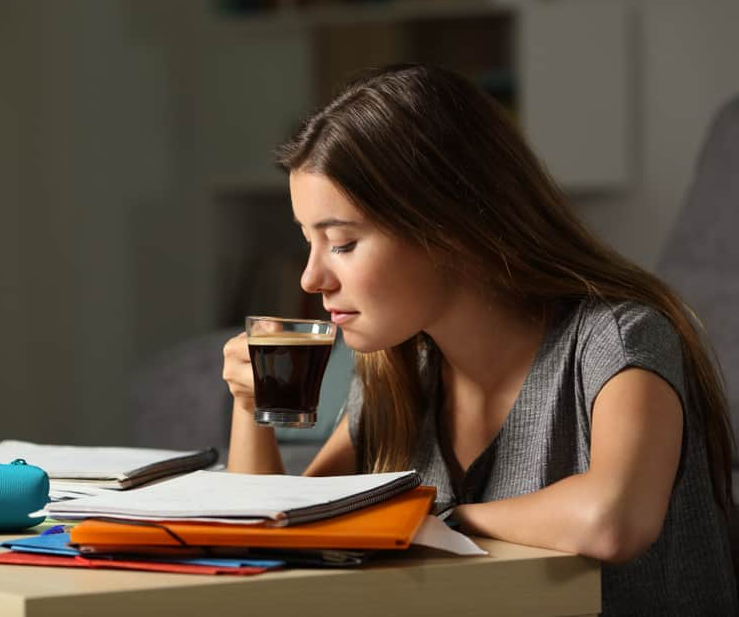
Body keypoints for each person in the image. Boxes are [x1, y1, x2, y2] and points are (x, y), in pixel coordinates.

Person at [221, 63, 736, 614]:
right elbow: (283, 532)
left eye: (342, 243)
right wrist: (252, 407)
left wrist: (433, 516)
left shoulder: (617, 339)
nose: (310, 278)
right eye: (309, 242)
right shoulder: (398, 374)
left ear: (446, 229)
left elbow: (613, 522)